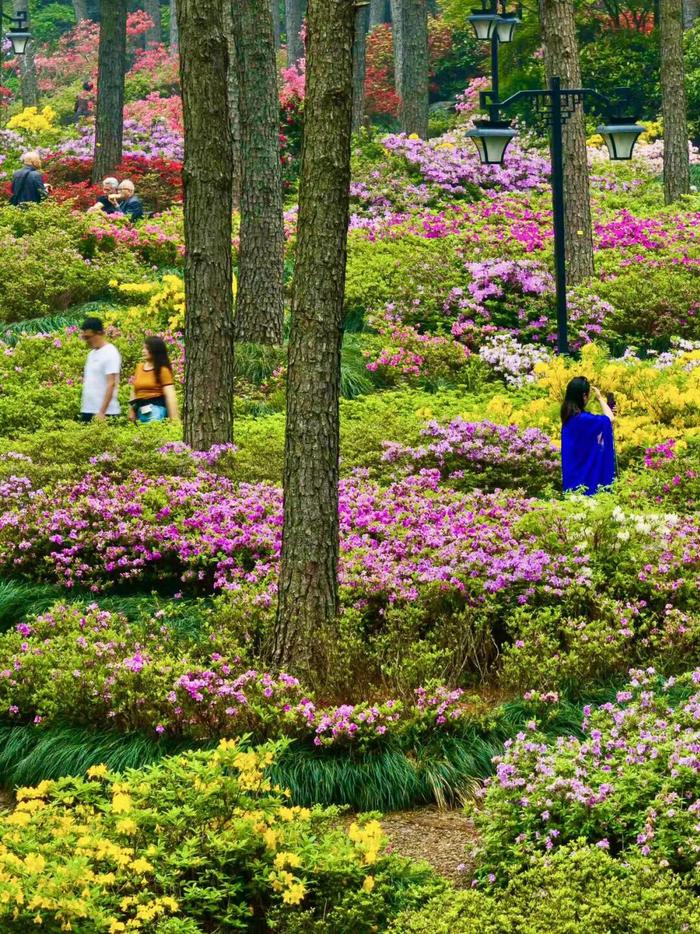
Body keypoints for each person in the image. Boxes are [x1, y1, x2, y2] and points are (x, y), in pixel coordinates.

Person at [561, 376, 616, 496]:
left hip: (573, 475)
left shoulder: (568, 419)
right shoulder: (584, 419)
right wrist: (600, 398)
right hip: (587, 478)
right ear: (584, 396)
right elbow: (610, 418)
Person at [128, 337, 179, 424]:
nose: (143, 351)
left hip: (156, 411)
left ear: (155, 350)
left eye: (147, 348)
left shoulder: (163, 370)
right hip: (140, 411)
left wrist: (174, 420)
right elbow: (134, 391)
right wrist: (131, 410)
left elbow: (170, 396)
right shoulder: (139, 367)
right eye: (143, 348)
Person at [80, 317, 121, 422]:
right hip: (88, 410)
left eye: (89, 337)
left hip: (106, 413)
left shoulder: (110, 352)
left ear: (99, 333)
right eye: (85, 337)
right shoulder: (91, 354)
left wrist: (102, 412)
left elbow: (111, 383)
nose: (87, 340)